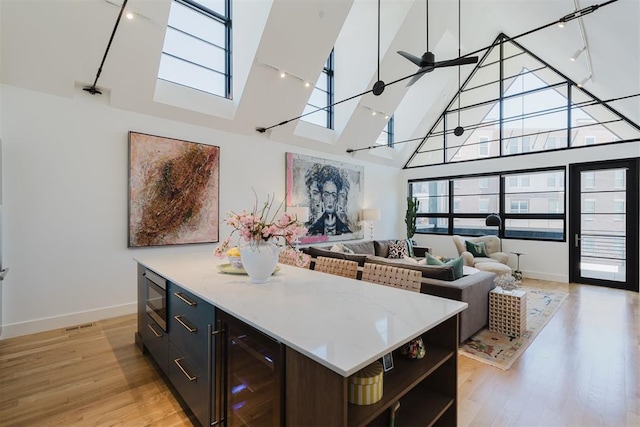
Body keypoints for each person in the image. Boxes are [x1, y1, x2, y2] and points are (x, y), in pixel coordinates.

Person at [307, 165, 352, 235]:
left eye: (333, 195)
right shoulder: (313, 231)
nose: (330, 200)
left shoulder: (345, 230)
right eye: (326, 194)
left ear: (337, 197)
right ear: (321, 196)